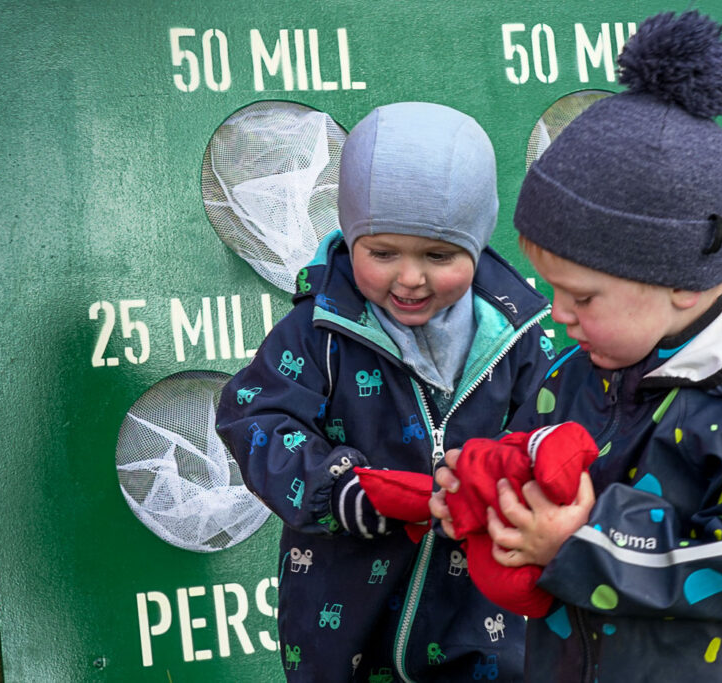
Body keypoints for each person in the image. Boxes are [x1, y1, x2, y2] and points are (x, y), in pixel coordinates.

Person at [430, 11, 722, 682]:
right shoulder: (579, 369)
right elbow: (533, 460)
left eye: (581, 296)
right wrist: (488, 489)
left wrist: (585, 539)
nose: (558, 314)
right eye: (552, 289)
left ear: (680, 286)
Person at [215, 101, 554, 682]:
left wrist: (515, 476)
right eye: (383, 252)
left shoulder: (516, 333)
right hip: (344, 609)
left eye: (439, 255)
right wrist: (339, 487)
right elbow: (256, 417)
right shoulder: (319, 330)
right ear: (350, 237)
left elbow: (551, 424)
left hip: (478, 609)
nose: (411, 278)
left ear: (476, 244)